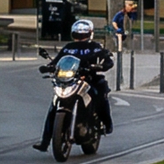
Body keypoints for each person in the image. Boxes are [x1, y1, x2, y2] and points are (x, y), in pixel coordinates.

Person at [33, 17, 114, 150]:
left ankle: (106, 123)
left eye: (83, 34)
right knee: (54, 106)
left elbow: (107, 59)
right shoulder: (68, 48)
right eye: (78, 34)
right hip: (69, 80)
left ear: (89, 34)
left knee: (99, 94)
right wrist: (49, 67)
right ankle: (45, 141)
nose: (80, 37)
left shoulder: (95, 47)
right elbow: (58, 61)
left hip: (89, 79)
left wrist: (101, 66)